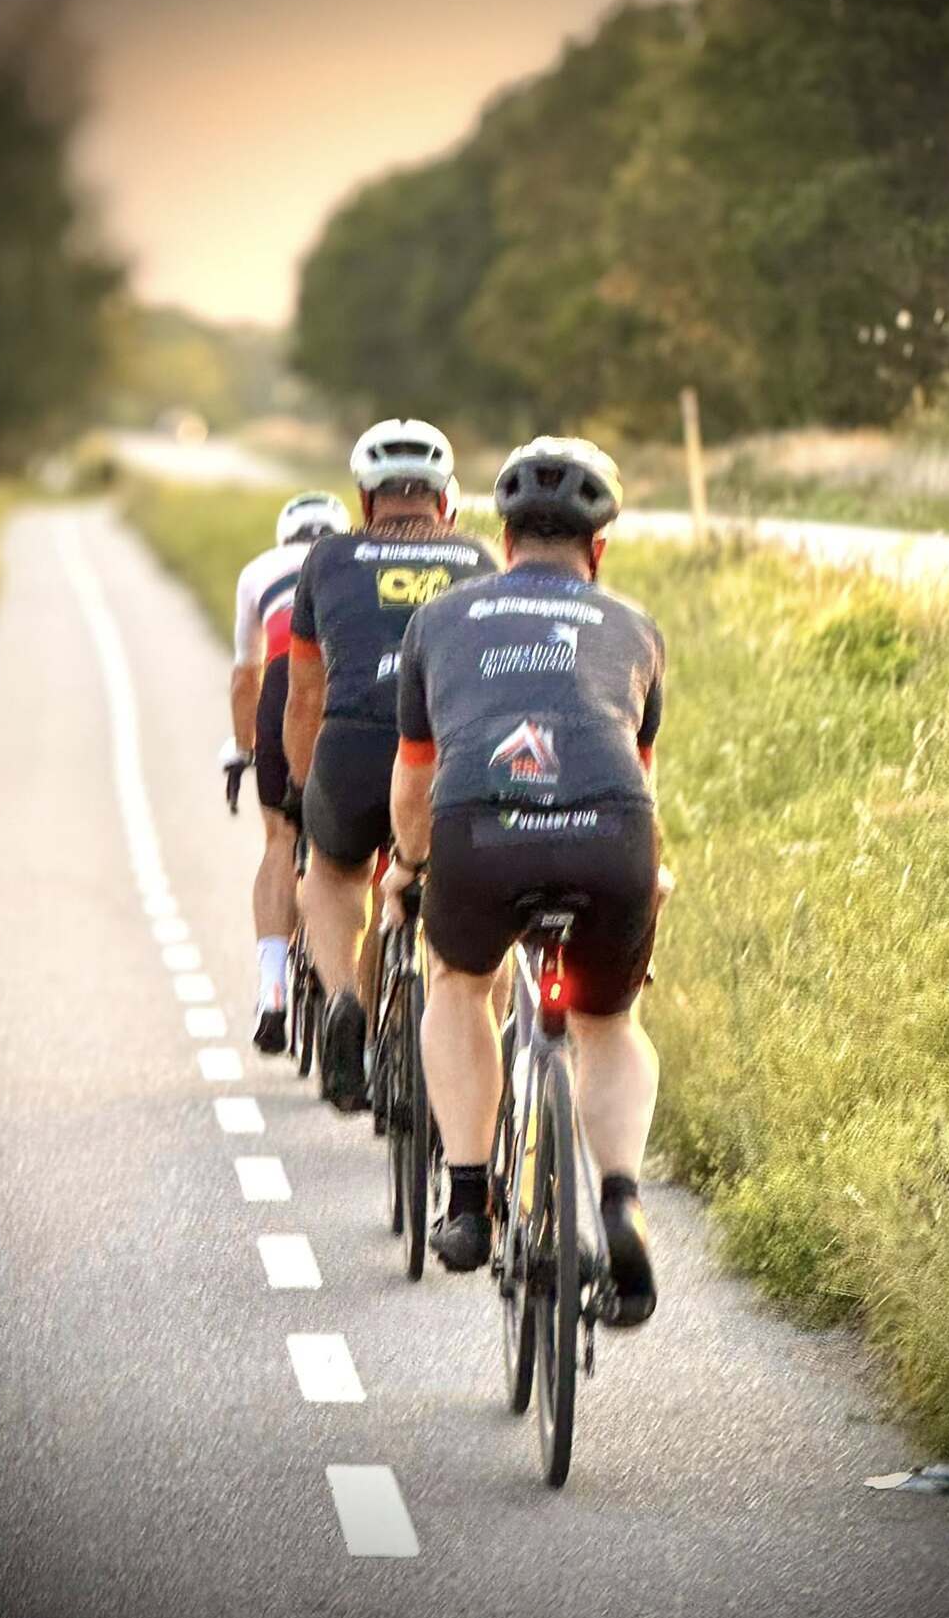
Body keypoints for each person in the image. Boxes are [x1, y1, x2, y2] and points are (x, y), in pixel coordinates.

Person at [382, 436, 665, 1326]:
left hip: (482, 834)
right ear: (598, 548)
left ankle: (469, 1199)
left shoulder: (438, 623)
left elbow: (414, 782)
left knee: (460, 982)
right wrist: (648, 880)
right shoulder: (636, 628)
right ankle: (620, 1200)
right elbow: (640, 780)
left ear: (503, 540)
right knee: (608, 1022)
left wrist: (408, 871)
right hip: (612, 836)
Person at [282, 419, 496, 1111]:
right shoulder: (480, 558)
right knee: (450, 884)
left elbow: (305, 694)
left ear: (365, 498)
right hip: (449, 753)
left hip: (354, 745)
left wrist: (302, 790)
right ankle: (443, 1044)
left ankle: (345, 996)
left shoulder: (327, 558)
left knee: (333, 872)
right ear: (446, 498)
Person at [220, 490, 351, 1052]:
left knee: (280, 839)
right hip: (348, 684)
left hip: (282, 684)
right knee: (356, 850)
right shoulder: (354, 561)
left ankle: (272, 987)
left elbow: (244, 678)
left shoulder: (259, 570)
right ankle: (357, 996)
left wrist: (241, 748)